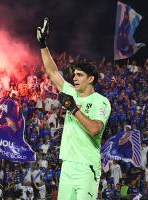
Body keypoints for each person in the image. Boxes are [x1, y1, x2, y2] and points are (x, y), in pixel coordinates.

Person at [37, 18, 111, 199]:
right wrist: (43, 44)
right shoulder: (72, 93)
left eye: (80, 75)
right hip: (68, 164)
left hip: (87, 167)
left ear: (91, 78)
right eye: (74, 75)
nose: (75, 78)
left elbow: (94, 129)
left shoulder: (101, 102)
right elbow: (53, 72)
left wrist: (73, 109)